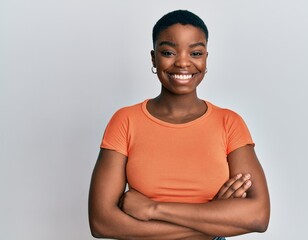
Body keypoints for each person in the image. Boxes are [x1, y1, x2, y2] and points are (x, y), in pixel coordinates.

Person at [88, 10, 270, 240]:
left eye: (195, 52)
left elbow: (258, 216)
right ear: (153, 58)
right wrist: (214, 219)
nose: (183, 62)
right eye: (168, 52)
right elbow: (101, 223)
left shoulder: (229, 122)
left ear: (205, 59)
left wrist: (153, 209)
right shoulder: (125, 121)